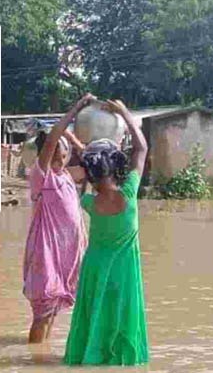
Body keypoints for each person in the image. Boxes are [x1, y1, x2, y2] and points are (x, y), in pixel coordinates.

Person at [64, 99, 149, 366]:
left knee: (95, 313)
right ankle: (120, 360)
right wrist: (123, 111)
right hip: (124, 268)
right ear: (116, 165)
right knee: (122, 314)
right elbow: (141, 147)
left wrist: (76, 132)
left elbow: (91, 176)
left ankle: (90, 356)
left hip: (95, 267)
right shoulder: (129, 192)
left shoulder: (88, 201)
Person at [23, 95, 91, 344]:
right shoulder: (43, 177)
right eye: (55, 155)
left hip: (64, 255)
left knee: (51, 314)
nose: (60, 159)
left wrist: (73, 142)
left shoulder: (65, 177)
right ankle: (32, 360)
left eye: (63, 155)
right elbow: (52, 139)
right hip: (46, 254)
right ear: (44, 155)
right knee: (42, 314)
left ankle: (39, 356)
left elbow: (88, 159)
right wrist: (77, 108)